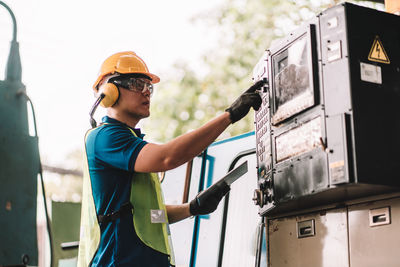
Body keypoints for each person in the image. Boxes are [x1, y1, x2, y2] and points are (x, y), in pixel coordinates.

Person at [77, 51, 263, 267]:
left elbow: (148, 217)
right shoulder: (105, 138)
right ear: (110, 90)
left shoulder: (128, 141)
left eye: (150, 87)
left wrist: (192, 208)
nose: (147, 92)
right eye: (138, 84)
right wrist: (229, 116)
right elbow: (168, 157)